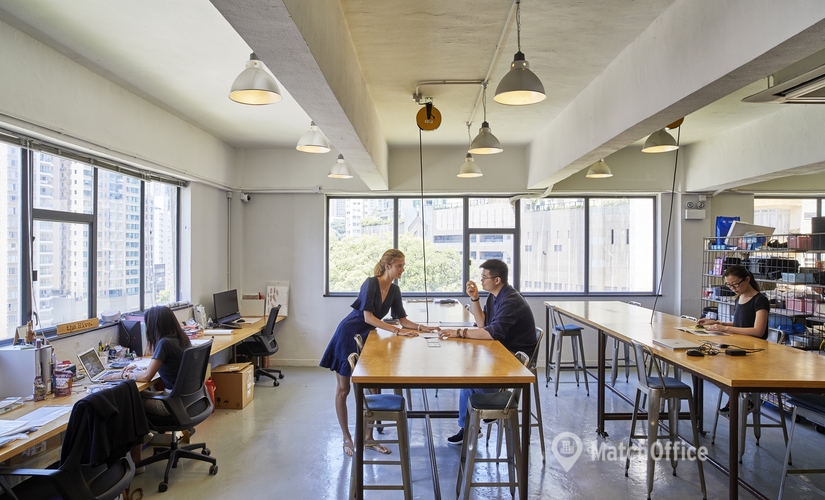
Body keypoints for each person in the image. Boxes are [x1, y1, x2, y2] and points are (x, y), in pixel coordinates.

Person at [319, 249, 439, 457]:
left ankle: (368, 437)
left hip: (368, 339)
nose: (403, 269)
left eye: (403, 265)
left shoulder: (394, 290)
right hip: (348, 334)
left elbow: (403, 320)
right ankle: (347, 437)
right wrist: (397, 331)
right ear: (388, 266)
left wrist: (421, 328)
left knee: (374, 387)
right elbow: (368, 317)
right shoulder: (370, 283)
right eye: (399, 265)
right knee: (343, 389)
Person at [439, 259, 537, 445]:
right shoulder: (495, 296)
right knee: (467, 376)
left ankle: (488, 408)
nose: (481, 281)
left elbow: (493, 333)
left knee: (469, 376)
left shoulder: (510, 301)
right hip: (501, 352)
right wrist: (475, 298)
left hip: (515, 361)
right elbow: (483, 324)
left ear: (497, 279)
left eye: (484, 277)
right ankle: (470, 425)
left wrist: (459, 333)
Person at [102, 305, 193, 468]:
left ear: (155, 326)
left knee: (129, 401)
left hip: (171, 405)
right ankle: (144, 435)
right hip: (188, 401)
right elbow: (156, 368)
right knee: (136, 395)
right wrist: (138, 368)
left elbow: (146, 377)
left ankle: (137, 460)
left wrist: (123, 375)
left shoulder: (164, 343)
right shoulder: (182, 339)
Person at [697, 264, 769, 412]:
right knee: (712, 367)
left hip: (754, 352)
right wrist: (717, 323)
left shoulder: (760, 300)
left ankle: (740, 399)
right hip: (739, 346)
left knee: (723, 370)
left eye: (735, 284)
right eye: (729, 285)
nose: (733, 288)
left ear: (747, 279)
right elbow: (741, 323)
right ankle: (737, 398)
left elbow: (758, 330)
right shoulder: (739, 297)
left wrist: (725, 328)